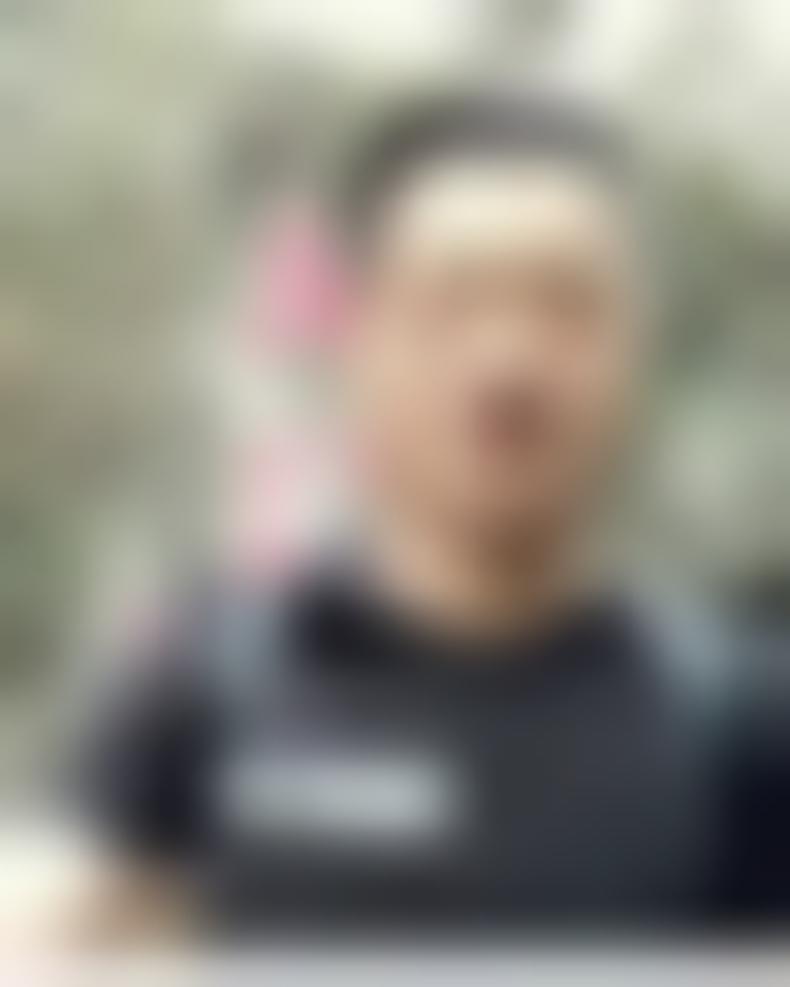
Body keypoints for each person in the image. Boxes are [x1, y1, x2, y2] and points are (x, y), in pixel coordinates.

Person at [25, 91, 790, 943]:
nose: (509, 360)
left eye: (568, 307)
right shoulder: (205, 691)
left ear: (637, 346)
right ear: (360, 342)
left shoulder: (742, 725)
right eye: (451, 302)